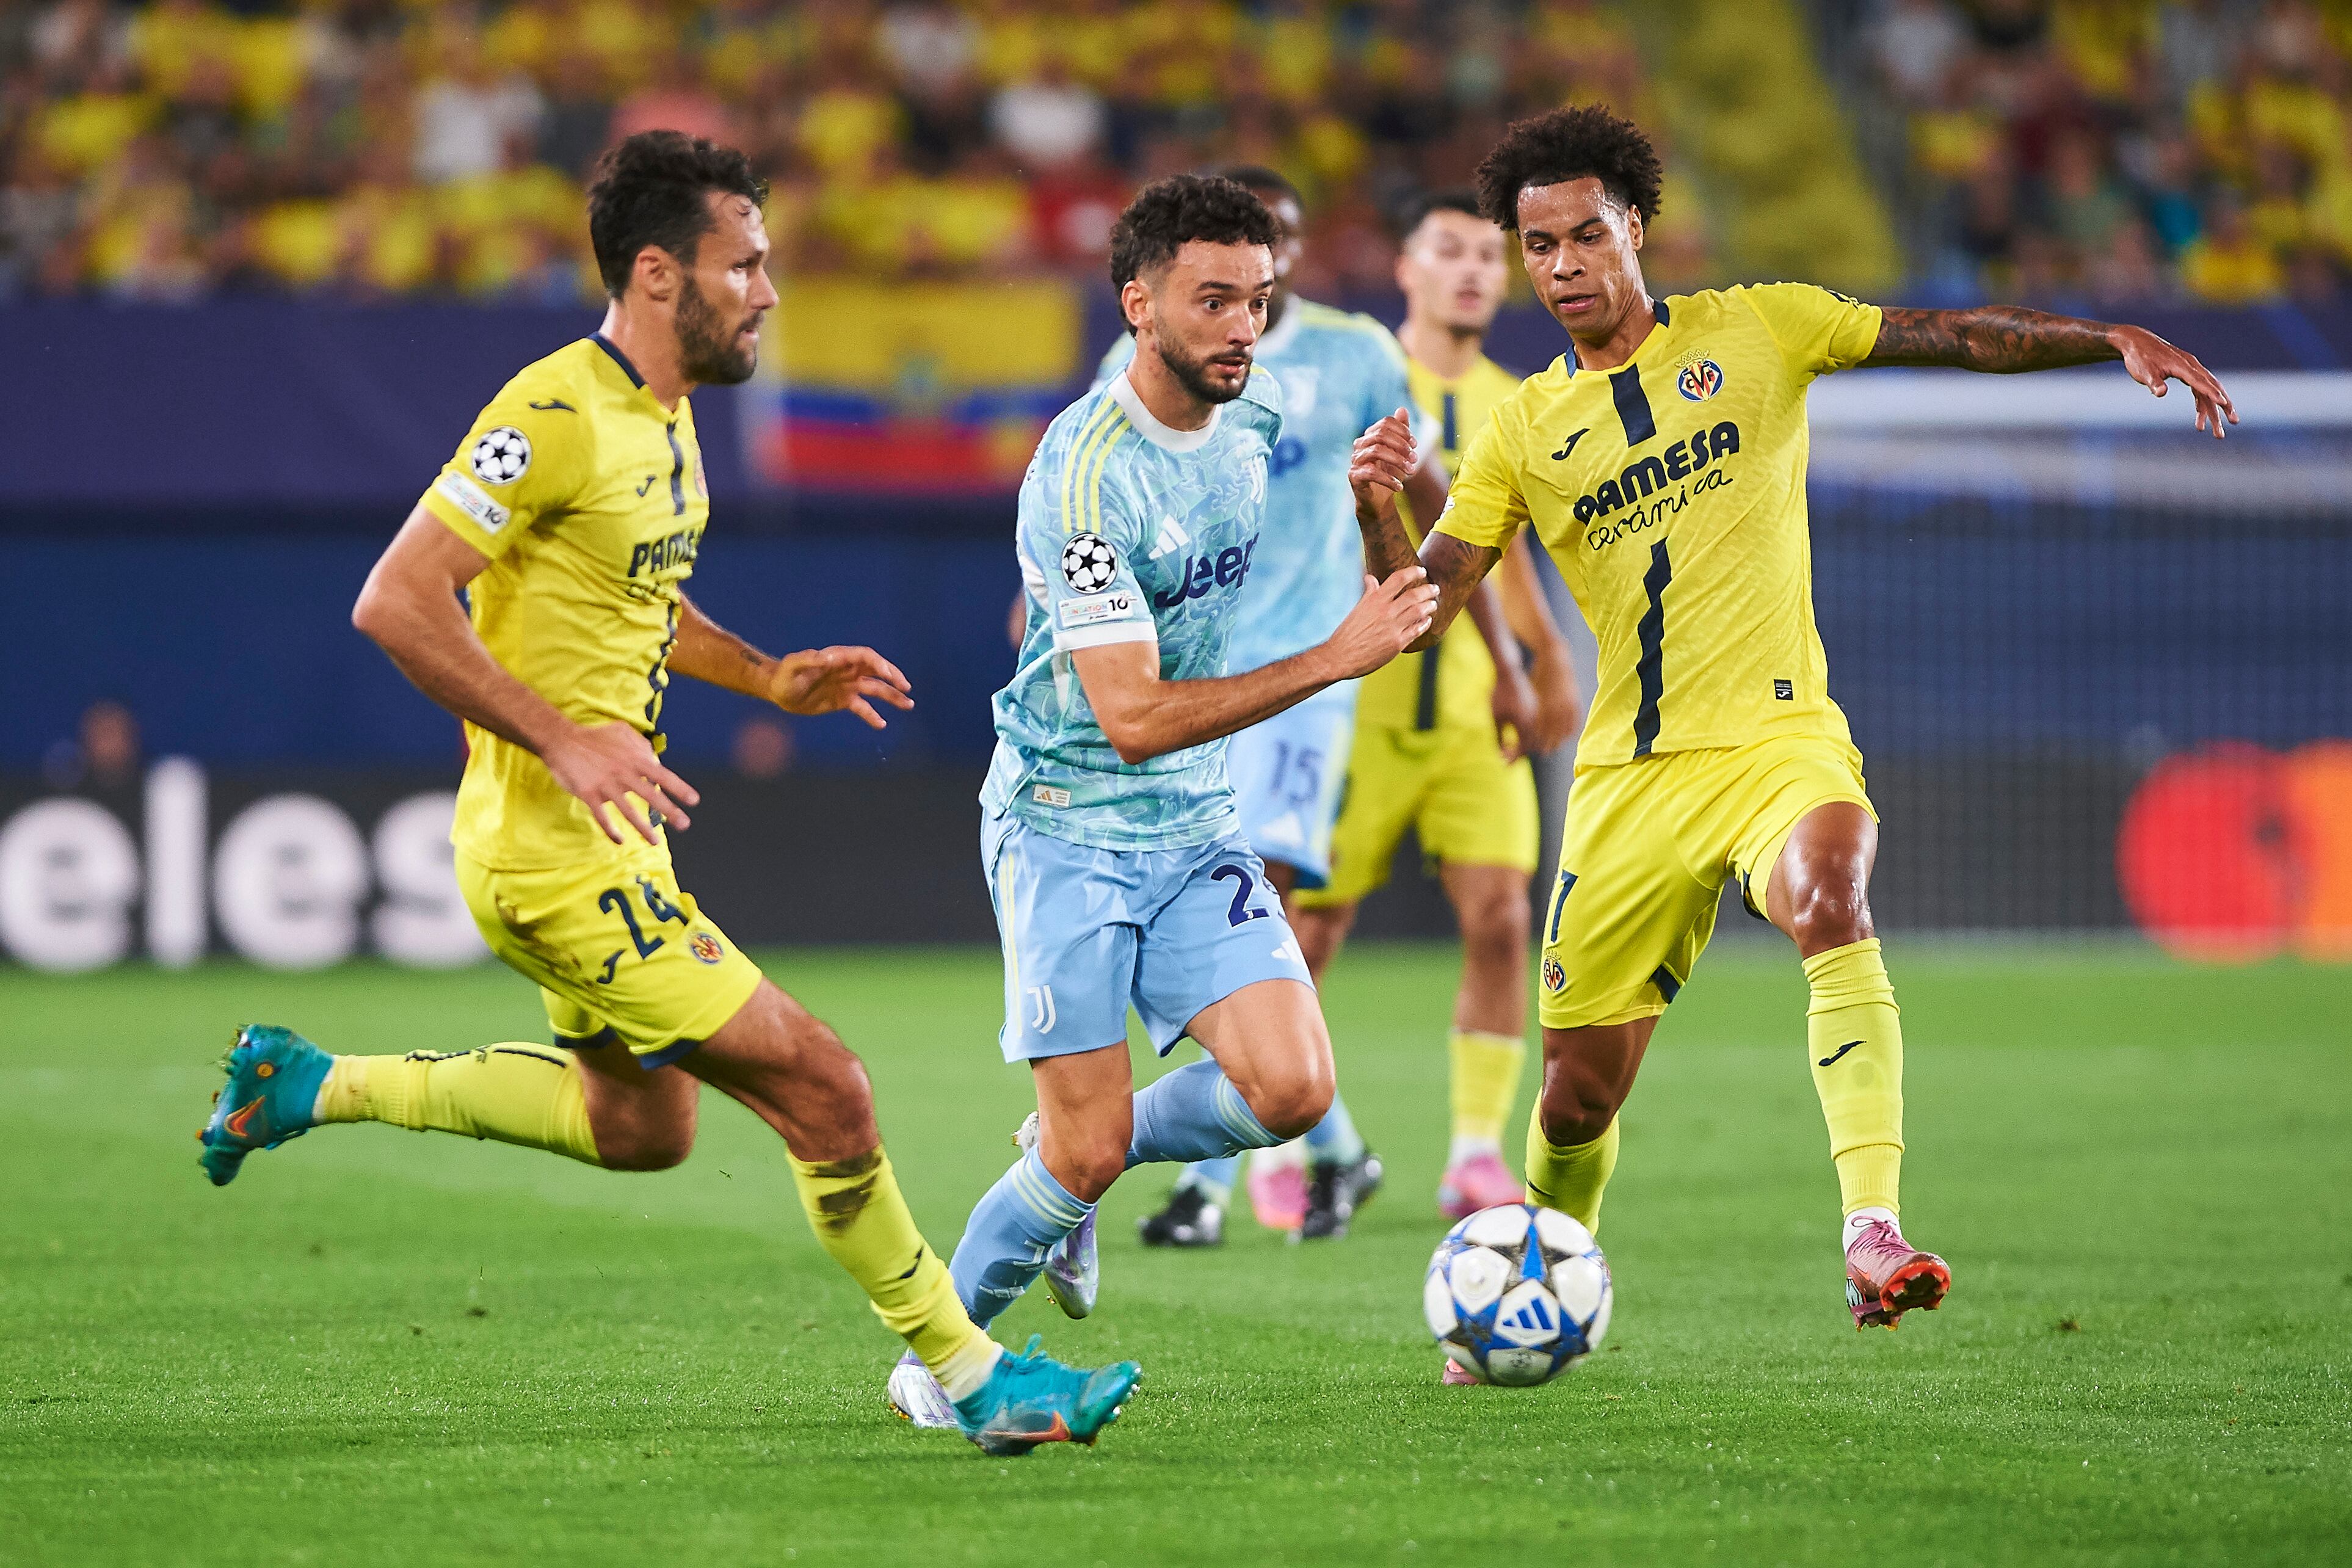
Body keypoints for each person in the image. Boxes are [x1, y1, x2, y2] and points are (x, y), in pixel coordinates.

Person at [194, 130, 1138, 1457]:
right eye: (743, 264)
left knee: (638, 1129)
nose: (767, 290)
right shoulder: (555, 410)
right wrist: (565, 741)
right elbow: (397, 600)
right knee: (831, 1090)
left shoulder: (666, 420)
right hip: (554, 855)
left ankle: (305, 1086)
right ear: (657, 273)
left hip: (597, 851)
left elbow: (635, 599)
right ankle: (976, 1378)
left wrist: (767, 677)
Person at [1344, 107, 2235, 1367]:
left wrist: (2107, 338)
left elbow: (1952, 335)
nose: (1559, 266)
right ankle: (1537, 1266)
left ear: (1633, 227)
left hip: (1777, 742)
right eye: (1537, 245)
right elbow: (1418, 615)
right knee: (1577, 1096)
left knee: (1831, 892)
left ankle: (1873, 1225)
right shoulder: (1522, 430)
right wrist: (1380, 507)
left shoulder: (1760, 326)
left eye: (1582, 234)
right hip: (1627, 785)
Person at [887, 173, 1438, 1426]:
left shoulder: (1262, 419)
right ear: (1138, 304)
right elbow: (1130, 718)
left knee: (1289, 1092)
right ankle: (934, 1369)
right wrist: (1330, 661)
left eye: (1257, 298)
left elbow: (1393, 608)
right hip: (1069, 823)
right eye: (1212, 300)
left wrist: (1373, 511)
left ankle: (1071, 1162)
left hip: (1196, 822)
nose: (1244, 326)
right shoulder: (1085, 480)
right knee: (1080, 1148)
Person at [1109, 167, 1539, 1248]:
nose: (1261, 281)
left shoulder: (1354, 356)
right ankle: (1336, 1149)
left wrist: (1496, 644)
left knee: (1262, 914)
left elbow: (1447, 505)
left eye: (1280, 247)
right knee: (1206, 929)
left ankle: (1211, 1187)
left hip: (1310, 684)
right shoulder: (1169, 355)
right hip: (1198, 680)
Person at [1290, 189, 1584, 1223]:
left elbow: (1507, 560)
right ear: (1406, 268)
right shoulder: (1353, 380)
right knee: (1308, 931)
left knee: (1504, 918)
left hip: (1470, 703)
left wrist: (1546, 658)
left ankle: (1473, 1153)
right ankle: (1279, 1141)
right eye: (1446, 251)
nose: (1468, 270)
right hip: (1355, 707)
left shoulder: (1522, 401)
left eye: (1482, 256)